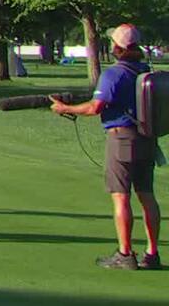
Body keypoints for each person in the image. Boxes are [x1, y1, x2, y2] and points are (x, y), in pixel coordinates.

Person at [51, 24, 161, 270]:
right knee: (147, 196)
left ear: (117, 47)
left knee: (121, 197)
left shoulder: (113, 73)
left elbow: (95, 107)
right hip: (147, 139)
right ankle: (152, 254)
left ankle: (125, 254)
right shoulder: (145, 70)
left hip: (121, 139)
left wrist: (64, 109)